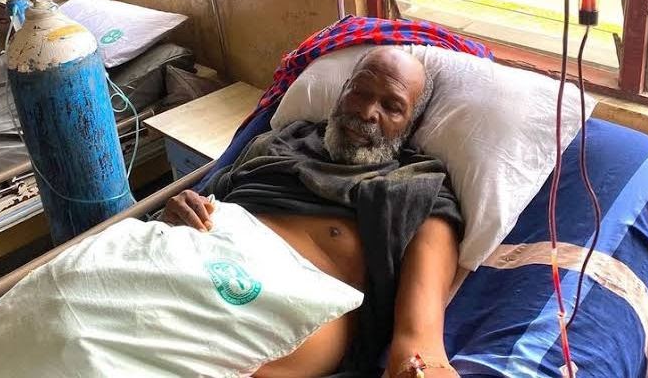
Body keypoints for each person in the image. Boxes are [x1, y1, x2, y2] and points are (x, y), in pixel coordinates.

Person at [161, 46, 463, 378]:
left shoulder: (417, 189)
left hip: (244, 338)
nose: (366, 111)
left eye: (391, 106)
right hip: (178, 282)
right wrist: (180, 209)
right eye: (359, 92)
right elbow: (199, 207)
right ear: (343, 90)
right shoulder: (278, 142)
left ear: (411, 123)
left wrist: (420, 369)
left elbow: (420, 346)